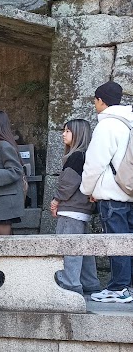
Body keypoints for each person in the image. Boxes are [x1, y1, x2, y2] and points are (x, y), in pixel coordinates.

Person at [80, 81, 133, 303]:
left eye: (95, 99)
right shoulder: (129, 123)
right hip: (130, 190)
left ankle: (119, 288)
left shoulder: (107, 126)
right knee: (129, 241)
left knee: (116, 242)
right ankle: (128, 286)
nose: (94, 104)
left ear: (101, 100)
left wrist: (87, 190)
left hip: (112, 195)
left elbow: (94, 163)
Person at [50, 118, 100, 296]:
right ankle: (90, 284)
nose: (63, 134)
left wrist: (56, 200)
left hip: (71, 209)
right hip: (83, 210)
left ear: (77, 134)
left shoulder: (76, 156)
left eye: (67, 131)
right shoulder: (87, 155)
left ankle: (70, 285)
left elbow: (68, 184)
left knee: (68, 248)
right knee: (84, 250)